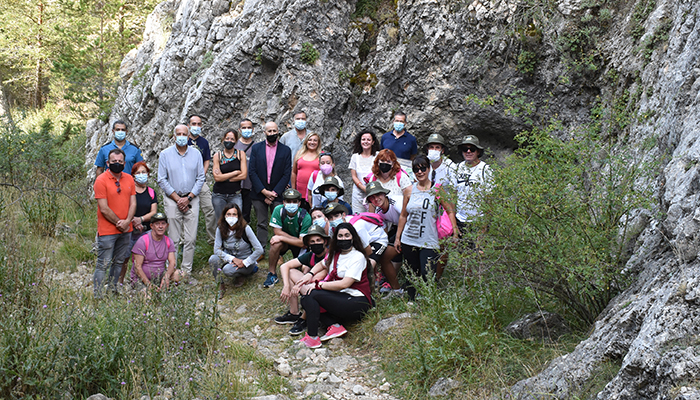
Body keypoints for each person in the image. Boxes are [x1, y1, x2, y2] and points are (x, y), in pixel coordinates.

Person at [296, 222, 375, 348]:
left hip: (357, 300)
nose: (344, 239)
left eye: (347, 235)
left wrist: (318, 285)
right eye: (340, 236)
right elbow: (321, 264)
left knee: (312, 294)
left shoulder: (357, 257)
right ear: (336, 238)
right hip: (341, 297)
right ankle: (333, 326)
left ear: (353, 237)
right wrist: (310, 274)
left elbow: (345, 284)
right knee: (306, 297)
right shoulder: (335, 254)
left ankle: (312, 337)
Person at [395, 156, 459, 299]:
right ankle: (411, 299)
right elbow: (403, 215)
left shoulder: (437, 189)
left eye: (423, 168)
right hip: (409, 238)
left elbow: (449, 210)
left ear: (429, 169)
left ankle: (428, 300)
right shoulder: (409, 190)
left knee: (427, 272)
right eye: (416, 169)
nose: (420, 172)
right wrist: (398, 237)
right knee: (412, 272)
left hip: (429, 239)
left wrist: (455, 232)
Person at [157, 124, 205, 279]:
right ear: (174, 136)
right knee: (173, 238)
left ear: (189, 136)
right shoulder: (165, 154)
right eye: (179, 134)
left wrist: (189, 198)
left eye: (185, 134)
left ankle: (186, 272)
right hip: (172, 200)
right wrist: (178, 199)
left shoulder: (196, 154)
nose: (182, 137)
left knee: (191, 238)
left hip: (192, 199)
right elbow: (161, 179)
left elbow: (201, 178)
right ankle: (171, 271)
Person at [93, 148, 136, 298]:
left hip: (126, 230)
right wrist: (119, 222)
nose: (117, 163)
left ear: (124, 163)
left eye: (120, 161)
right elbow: (104, 208)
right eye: (114, 161)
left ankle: (112, 291)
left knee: (119, 262)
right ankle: (98, 296)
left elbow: (133, 203)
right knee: (103, 264)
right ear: (107, 163)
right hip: (107, 231)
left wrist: (127, 221)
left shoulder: (129, 179)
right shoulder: (101, 180)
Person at [274, 224, 329, 336]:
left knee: (309, 287)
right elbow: (284, 266)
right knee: (290, 272)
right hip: (312, 286)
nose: (315, 243)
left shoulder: (330, 255)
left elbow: (319, 277)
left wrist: (298, 285)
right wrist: (286, 286)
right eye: (312, 241)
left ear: (325, 241)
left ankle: (304, 319)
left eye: (318, 240)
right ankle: (294, 313)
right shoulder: (311, 255)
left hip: (326, 289)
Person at [248, 121, 292, 253]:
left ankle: (279, 252)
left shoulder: (286, 150)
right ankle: (260, 250)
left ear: (278, 132)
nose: (272, 133)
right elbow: (252, 171)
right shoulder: (256, 148)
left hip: (277, 193)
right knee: (261, 223)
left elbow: (286, 174)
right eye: (269, 131)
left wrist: (274, 193)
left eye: (274, 131)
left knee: (279, 224)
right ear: (264, 132)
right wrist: (264, 192)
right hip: (259, 193)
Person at [209, 203, 263, 297]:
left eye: (234, 214)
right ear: (224, 216)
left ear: (238, 216)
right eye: (229, 214)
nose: (231, 217)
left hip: (245, 261)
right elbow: (216, 250)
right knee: (213, 259)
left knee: (227, 270)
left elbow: (259, 249)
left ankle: (241, 274)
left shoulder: (245, 228)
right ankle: (220, 285)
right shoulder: (220, 229)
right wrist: (233, 259)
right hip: (230, 259)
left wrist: (245, 262)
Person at [118, 161, 158, 285]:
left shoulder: (151, 192)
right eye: (138, 173)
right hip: (129, 229)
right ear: (133, 176)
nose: (141, 175)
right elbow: (123, 208)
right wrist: (133, 221)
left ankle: (139, 282)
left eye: (143, 172)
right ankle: (119, 282)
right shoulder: (128, 191)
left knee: (144, 258)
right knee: (124, 257)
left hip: (145, 230)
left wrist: (140, 219)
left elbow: (153, 212)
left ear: (148, 174)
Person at [265, 188, 313, 287]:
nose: (291, 204)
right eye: (288, 201)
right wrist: (293, 239)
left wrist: (282, 238)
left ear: (299, 203)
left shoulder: (306, 216)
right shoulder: (278, 210)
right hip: (288, 242)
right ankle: (272, 273)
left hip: (299, 246)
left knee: (302, 269)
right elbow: (277, 231)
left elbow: (302, 243)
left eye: (294, 201)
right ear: (283, 202)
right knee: (275, 243)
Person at [364, 181, 404, 297]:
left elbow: (408, 216)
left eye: (378, 195)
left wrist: (398, 239)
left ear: (384, 194)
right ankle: (391, 284)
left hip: (411, 227)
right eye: (372, 198)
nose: (376, 199)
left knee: (386, 256)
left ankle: (396, 288)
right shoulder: (378, 211)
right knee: (384, 253)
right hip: (398, 228)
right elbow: (384, 232)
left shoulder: (396, 202)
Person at [130, 212, 181, 297]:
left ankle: (168, 291)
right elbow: (137, 267)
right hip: (141, 279)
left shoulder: (168, 241)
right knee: (148, 296)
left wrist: (166, 277)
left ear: (167, 226)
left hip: (159, 276)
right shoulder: (143, 241)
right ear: (152, 226)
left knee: (180, 274)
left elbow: (172, 263)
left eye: (163, 223)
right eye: (157, 224)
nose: (160, 226)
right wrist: (149, 285)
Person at [451, 135, 492, 234]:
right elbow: (453, 196)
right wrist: (454, 226)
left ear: (478, 152)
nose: (468, 151)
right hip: (460, 220)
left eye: (472, 149)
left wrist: (483, 228)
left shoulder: (485, 170)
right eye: (465, 149)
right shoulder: (457, 168)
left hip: (478, 221)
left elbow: (489, 200)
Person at [187, 114, 217, 245]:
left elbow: (207, 160)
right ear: (188, 125)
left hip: (200, 182)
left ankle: (213, 240)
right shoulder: (183, 140)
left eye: (199, 124)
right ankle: (184, 240)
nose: (196, 126)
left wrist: (201, 175)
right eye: (193, 124)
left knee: (210, 209)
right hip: (186, 182)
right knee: (186, 210)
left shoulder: (204, 142)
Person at [212, 128, 248, 221]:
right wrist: (235, 173)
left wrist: (224, 177)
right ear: (223, 139)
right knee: (220, 222)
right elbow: (217, 178)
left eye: (232, 139)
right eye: (227, 138)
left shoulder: (240, 154)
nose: (229, 141)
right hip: (219, 195)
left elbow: (244, 175)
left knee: (236, 221)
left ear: (236, 141)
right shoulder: (218, 156)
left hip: (235, 194)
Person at [349, 130, 379, 213]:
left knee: (373, 217)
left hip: (375, 193)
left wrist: (371, 190)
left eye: (368, 140)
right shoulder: (355, 157)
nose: (366, 142)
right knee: (358, 217)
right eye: (363, 139)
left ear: (373, 142)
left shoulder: (378, 156)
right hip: (358, 194)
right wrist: (363, 188)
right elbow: (354, 176)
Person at [291, 132, 322, 210]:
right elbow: (294, 172)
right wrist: (293, 190)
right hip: (299, 192)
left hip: (314, 192)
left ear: (318, 143)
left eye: (315, 140)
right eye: (310, 140)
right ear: (306, 141)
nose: (312, 142)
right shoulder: (299, 154)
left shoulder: (321, 155)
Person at [234, 119, 257, 223]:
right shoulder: (234, 145)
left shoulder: (256, 146)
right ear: (239, 130)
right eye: (244, 128)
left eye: (249, 128)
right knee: (234, 211)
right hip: (236, 184)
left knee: (246, 213)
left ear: (253, 129)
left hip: (250, 185)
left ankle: (245, 231)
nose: (246, 130)